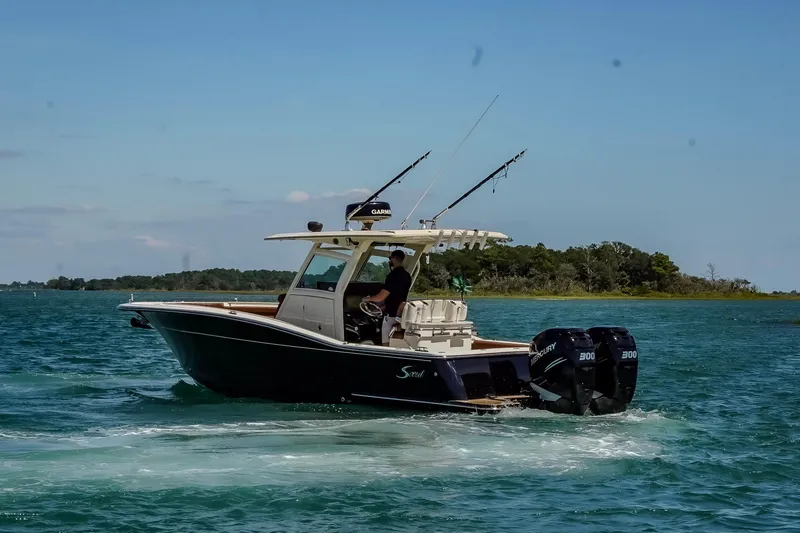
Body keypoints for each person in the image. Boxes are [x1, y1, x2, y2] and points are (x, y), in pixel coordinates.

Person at [363, 249, 412, 345]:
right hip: (401, 314)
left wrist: (368, 299)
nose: (389, 260)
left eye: (390, 258)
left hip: (391, 315)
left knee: (386, 342)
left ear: (396, 259)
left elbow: (380, 297)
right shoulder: (407, 276)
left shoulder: (392, 276)